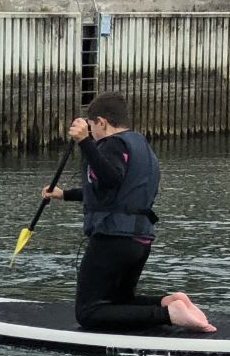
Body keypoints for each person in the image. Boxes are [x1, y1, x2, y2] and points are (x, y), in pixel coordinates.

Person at [41, 93, 214, 333]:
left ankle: (168, 313)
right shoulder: (140, 144)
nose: (92, 132)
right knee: (118, 301)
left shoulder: (112, 144)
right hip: (139, 239)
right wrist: (65, 194)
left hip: (113, 238)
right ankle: (170, 301)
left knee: (89, 312)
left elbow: (110, 179)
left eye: (92, 127)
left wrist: (85, 143)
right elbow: (116, 192)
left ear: (101, 122)